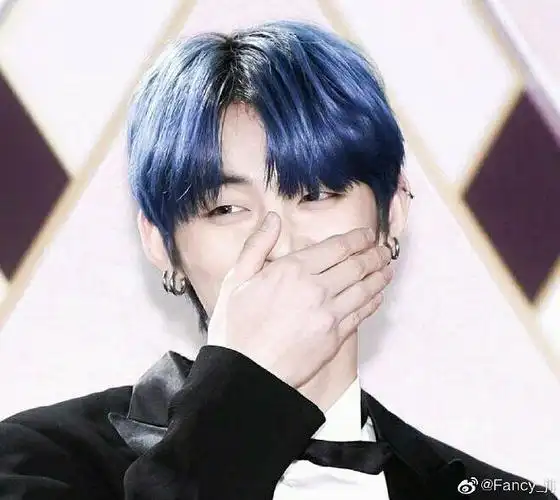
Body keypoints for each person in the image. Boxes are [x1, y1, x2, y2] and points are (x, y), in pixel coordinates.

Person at [0, 20, 555, 500]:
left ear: (393, 212)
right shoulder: (35, 461)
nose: (278, 241)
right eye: (225, 208)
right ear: (161, 243)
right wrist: (244, 392)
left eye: (315, 194)